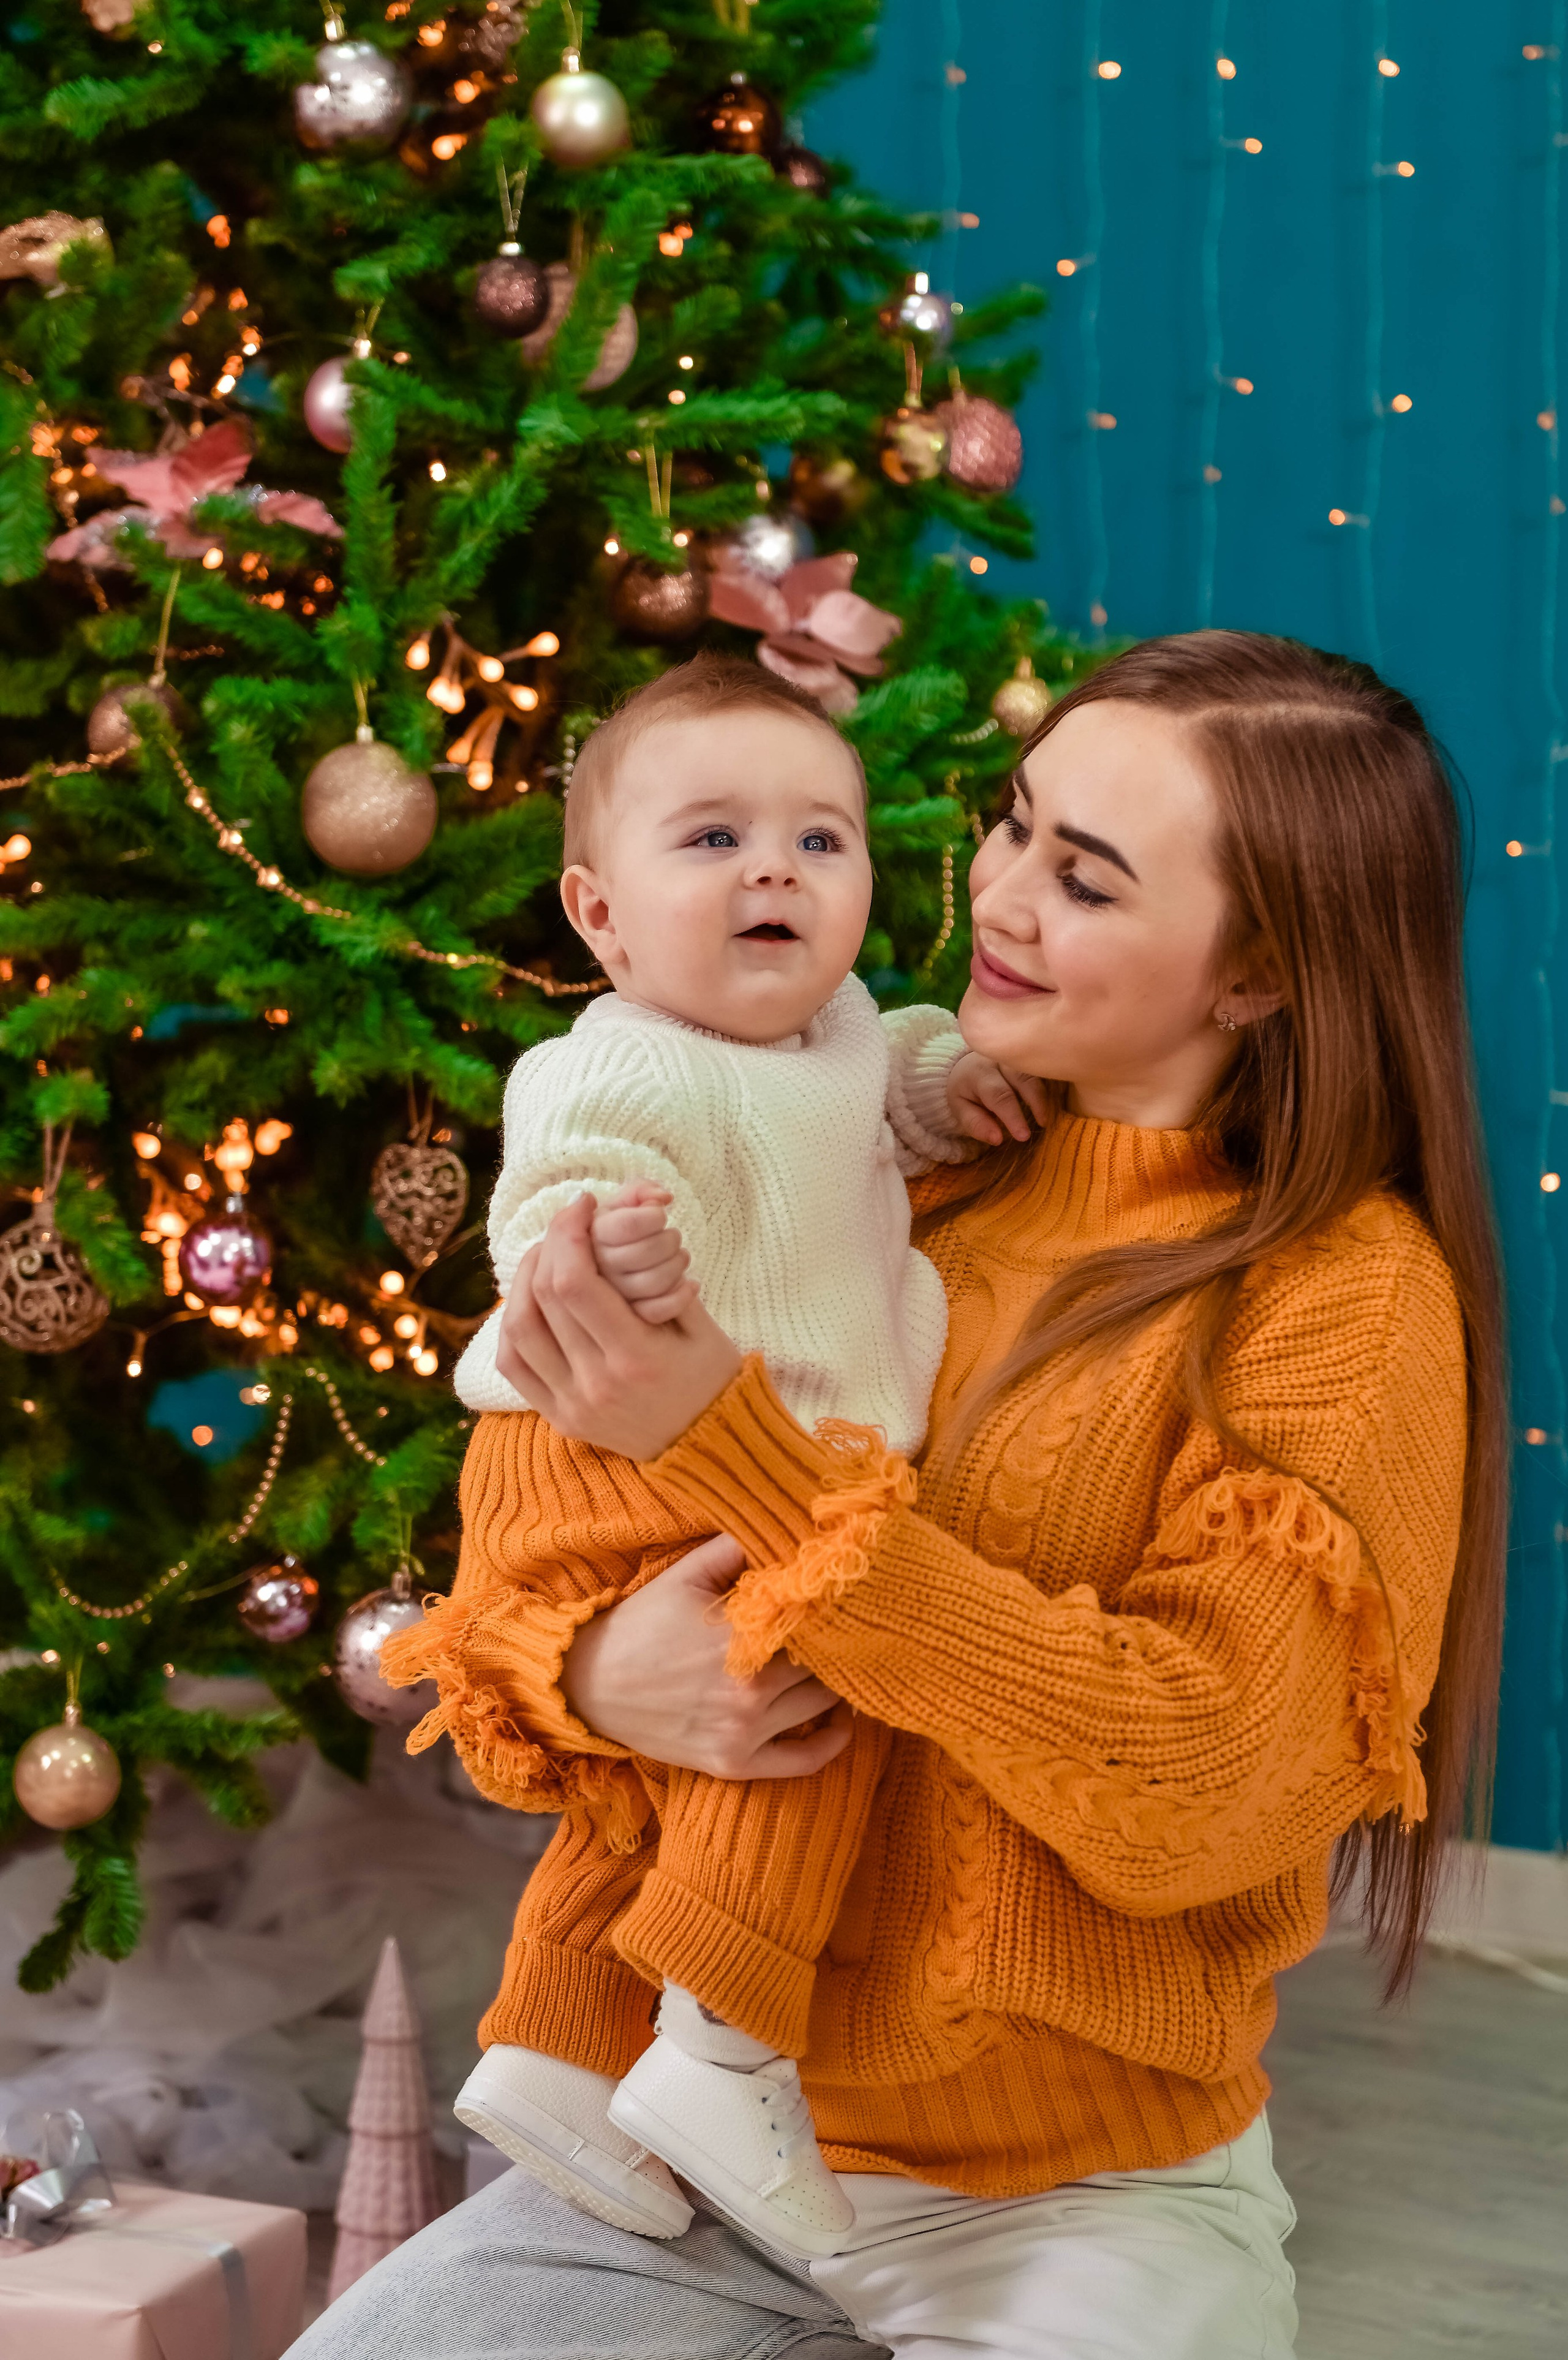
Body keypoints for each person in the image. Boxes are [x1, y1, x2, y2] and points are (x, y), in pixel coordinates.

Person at [294, 630, 1506, 2360]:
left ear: (1257, 972)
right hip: (696, 2154)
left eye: (1081, 876)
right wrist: (591, 1671)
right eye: (1014, 826)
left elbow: (1199, 1779)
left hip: (1086, 2203)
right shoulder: (880, 1157)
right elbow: (513, 1584)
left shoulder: (1343, 1297)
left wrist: (729, 1439)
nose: (998, 896)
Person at [383, 654, 1033, 2257]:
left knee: (666, 1775)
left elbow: (902, 1085)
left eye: (823, 841)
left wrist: (955, 1081)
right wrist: (606, 1251)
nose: (775, 870)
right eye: (715, 839)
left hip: (721, 1432)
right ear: (600, 915)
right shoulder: (620, 1058)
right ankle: (721, 2049)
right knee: (814, 1705)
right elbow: (554, 1196)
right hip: (618, 1427)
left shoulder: (841, 1033)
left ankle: (552, 2041)